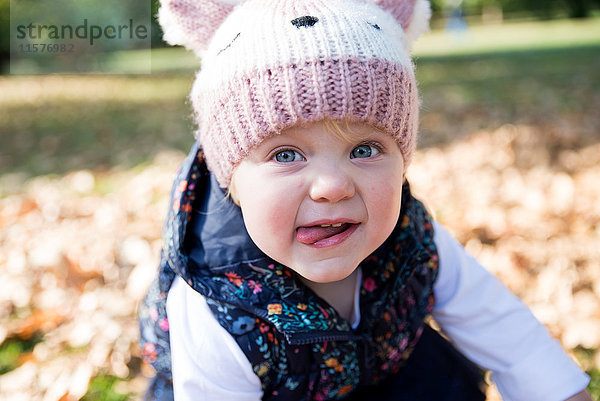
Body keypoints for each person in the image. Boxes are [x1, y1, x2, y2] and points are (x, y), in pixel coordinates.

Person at [138, 0, 593, 400]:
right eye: (286, 154)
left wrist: (561, 391)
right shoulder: (212, 300)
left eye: (364, 150)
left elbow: (501, 326)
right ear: (232, 181)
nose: (332, 186)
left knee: (440, 377)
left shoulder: (414, 242)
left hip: (383, 373)